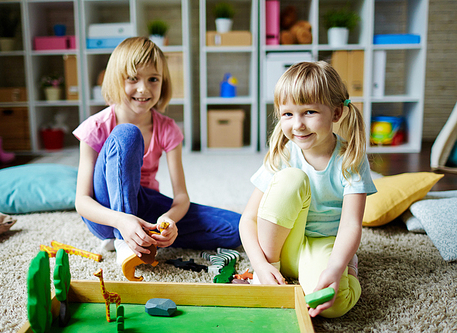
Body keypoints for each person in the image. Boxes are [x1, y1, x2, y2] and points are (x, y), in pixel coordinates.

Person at [73, 37, 241, 268]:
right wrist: (121, 220)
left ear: (163, 83)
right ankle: (124, 239)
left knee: (235, 228)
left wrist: (168, 221)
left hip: (147, 205)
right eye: (133, 78)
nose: (143, 89)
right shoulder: (95, 127)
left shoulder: (168, 128)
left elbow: (181, 197)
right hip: (107, 213)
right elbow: (82, 201)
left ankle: (144, 235)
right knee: (127, 135)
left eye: (153, 79)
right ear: (116, 79)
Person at [239, 61, 376, 318]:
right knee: (291, 178)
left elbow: (350, 225)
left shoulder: (351, 158)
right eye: (288, 114)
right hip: (281, 247)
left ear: (336, 114)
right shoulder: (283, 154)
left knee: (332, 306)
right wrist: (260, 265)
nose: (298, 125)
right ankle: (271, 269)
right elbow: (249, 219)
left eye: (309, 112)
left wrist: (336, 268)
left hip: (324, 244)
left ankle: (350, 268)